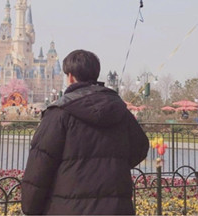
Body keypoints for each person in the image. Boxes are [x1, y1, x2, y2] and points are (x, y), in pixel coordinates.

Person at [21, 49, 149, 215]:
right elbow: (140, 147)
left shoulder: (59, 113)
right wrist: (112, 165)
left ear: (70, 77)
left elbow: (40, 165)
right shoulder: (120, 111)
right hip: (116, 208)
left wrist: (30, 208)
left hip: (69, 208)